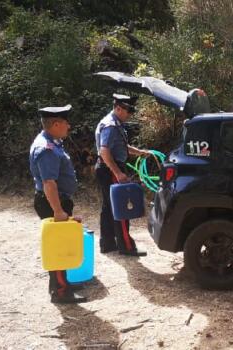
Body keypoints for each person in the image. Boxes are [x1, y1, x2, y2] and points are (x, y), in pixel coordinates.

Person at [29, 104, 87, 304]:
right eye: (65, 122)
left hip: (57, 201)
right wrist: (58, 211)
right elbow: (49, 183)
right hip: (52, 202)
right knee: (58, 246)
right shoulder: (46, 149)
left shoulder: (53, 141)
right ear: (55, 124)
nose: (68, 126)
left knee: (61, 243)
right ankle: (61, 291)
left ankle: (62, 282)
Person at [95, 94, 150, 256]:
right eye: (128, 111)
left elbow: (121, 146)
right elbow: (104, 151)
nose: (130, 114)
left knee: (108, 207)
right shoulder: (111, 126)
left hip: (105, 168)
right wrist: (117, 173)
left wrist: (139, 152)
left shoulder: (114, 123)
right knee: (121, 207)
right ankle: (126, 246)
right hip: (110, 169)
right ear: (118, 108)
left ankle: (108, 243)